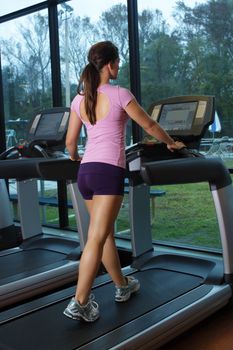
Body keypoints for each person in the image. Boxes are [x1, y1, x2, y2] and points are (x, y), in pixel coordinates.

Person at [64, 41, 185, 322]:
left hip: (86, 172)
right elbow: (150, 126)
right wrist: (170, 143)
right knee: (97, 236)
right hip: (108, 172)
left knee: (102, 232)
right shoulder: (120, 94)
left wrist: (75, 157)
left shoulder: (80, 99)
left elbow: (70, 142)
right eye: (117, 62)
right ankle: (79, 301)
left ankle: (122, 285)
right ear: (109, 65)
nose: (119, 67)